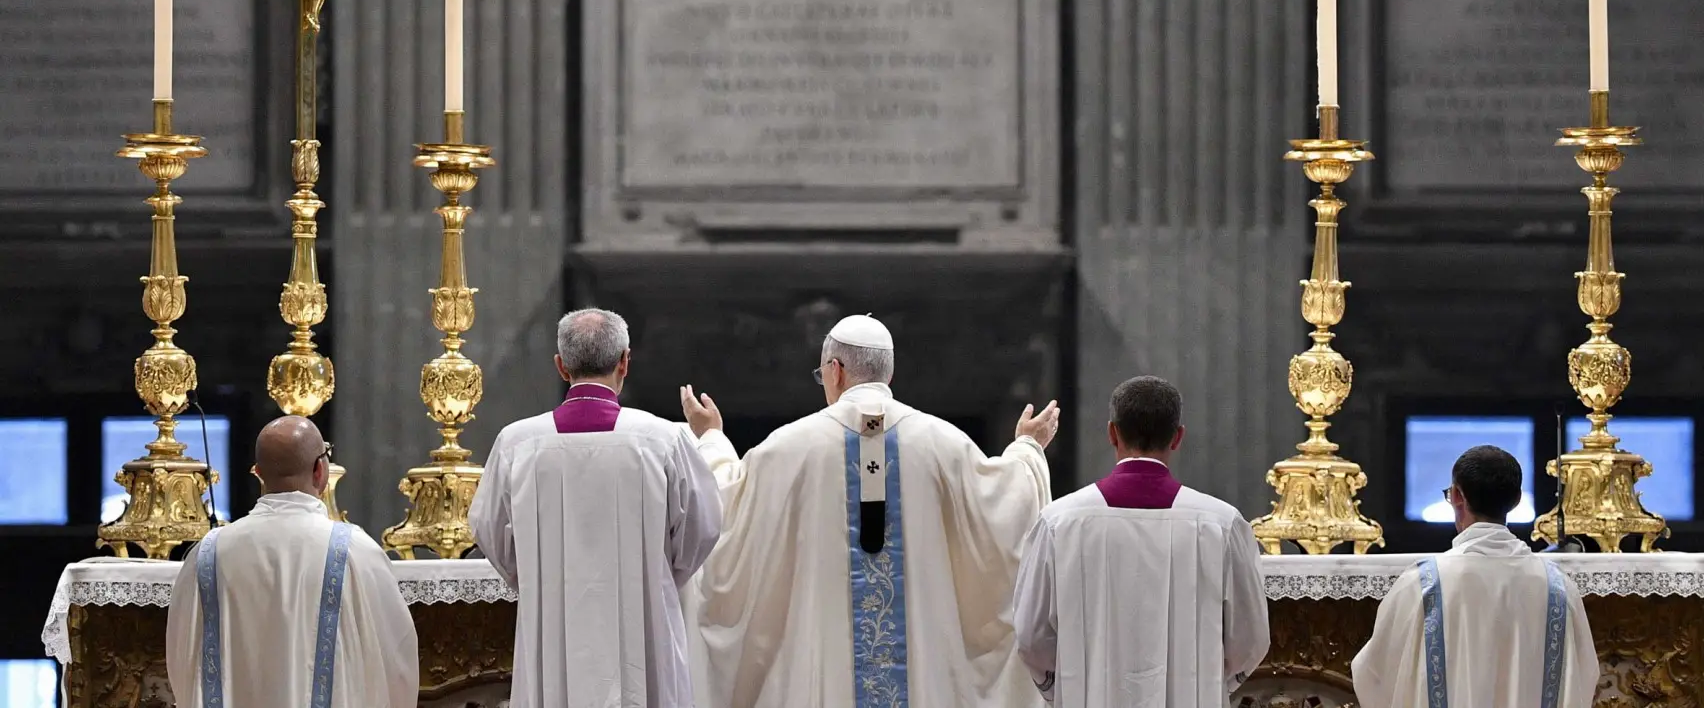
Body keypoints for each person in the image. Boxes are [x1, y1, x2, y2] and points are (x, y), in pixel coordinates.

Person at [680, 312, 1059, 708]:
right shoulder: (945, 444)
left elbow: (724, 508)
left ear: (835, 371)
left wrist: (711, 439)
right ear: (888, 376)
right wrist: (1028, 448)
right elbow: (1007, 505)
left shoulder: (788, 448)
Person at [470, 307, 721, 708]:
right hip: (645, 624)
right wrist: (655, 576)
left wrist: (537, 576)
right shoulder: (661, 440)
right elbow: (702, 526)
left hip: (552, 620)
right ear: (624, 362)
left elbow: (488, 529)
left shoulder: (518, 443)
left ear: (561, 366)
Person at [1011, 376, 1268, 706]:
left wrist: (1066, 686)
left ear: (1111, 433)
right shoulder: (1221, 524)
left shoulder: (1059, 522)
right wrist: (1208, 683)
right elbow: (1251, 638)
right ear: (1178, 437)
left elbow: (1031, 635)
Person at [164, 416, 418, 708]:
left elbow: (182, 659)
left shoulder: (207, 553)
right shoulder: (356, 552)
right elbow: (397, 662)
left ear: (258, 473)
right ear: (320, 470)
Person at [1351, 445, 1599, 708]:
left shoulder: (1422, 583)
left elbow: (1374, 674)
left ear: (1457, 495)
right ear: (1517, 500)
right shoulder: (1558, 586)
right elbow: (1584, 676)